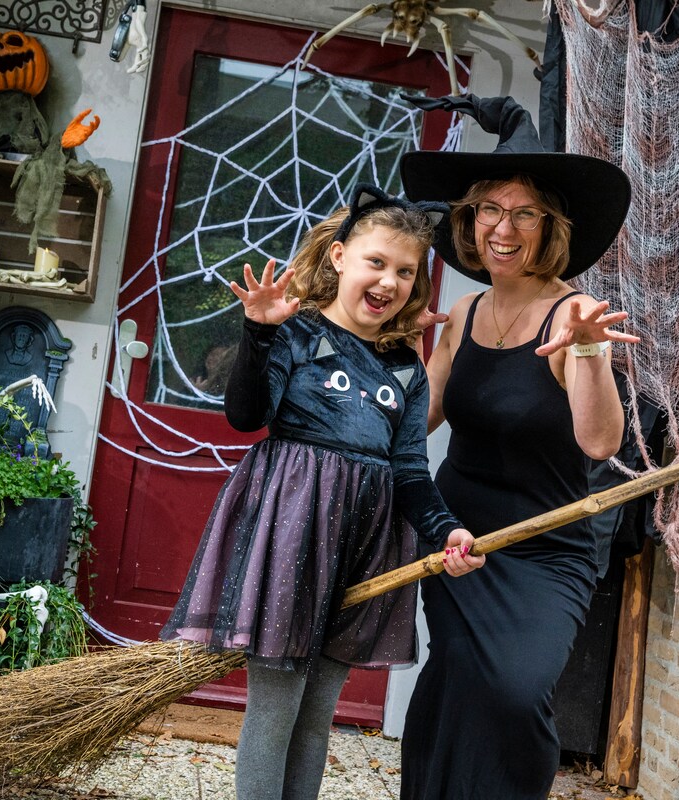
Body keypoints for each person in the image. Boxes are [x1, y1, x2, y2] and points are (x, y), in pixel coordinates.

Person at [160, 185, 485, 800]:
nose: (389, 281)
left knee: (316, 718)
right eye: (376, 262)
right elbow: (245, 417)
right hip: (290, 535)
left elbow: (410, 471)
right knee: (276, 709)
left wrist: (447, 530)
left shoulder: (405, 369)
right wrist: (258, 333)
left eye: (406, 271)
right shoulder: (296, 334)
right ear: (338, 256)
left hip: (366, 549)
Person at [396, 95, 640, 799]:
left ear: (551, 227)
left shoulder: (572, 314)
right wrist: (387, 355)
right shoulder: (464, 311)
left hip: (546, 550)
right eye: (489, 209)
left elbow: (600, 440)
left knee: (515, 690)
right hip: (458, 540)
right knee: (456, 678)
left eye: (525, 214)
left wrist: (587, 353)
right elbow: (419, 421)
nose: (503, 228)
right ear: (470, 219)